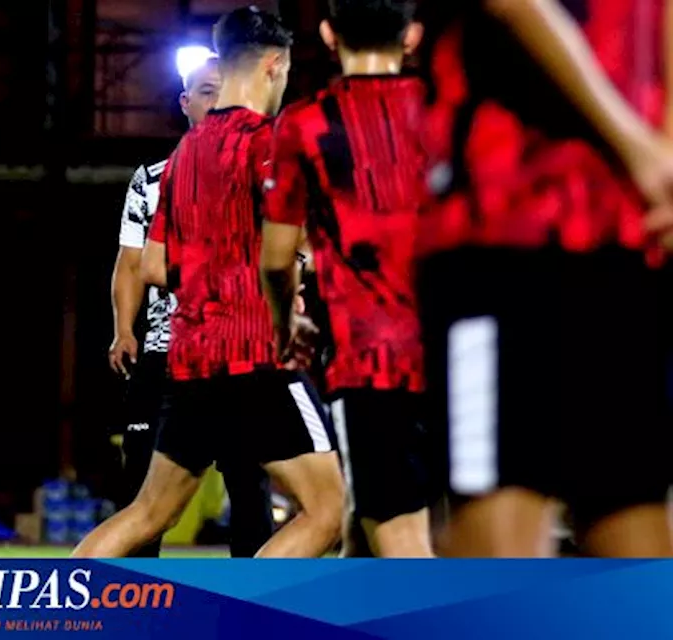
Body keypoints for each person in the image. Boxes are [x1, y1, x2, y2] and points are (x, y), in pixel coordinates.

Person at [74, 7, 345, 559]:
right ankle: (246, 621)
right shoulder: (272, 142)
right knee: (328, 511)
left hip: (190, 360)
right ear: (273, 65)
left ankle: (59, 603)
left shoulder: (182, 156)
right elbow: (301, 250)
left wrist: (215, 265)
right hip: (256, 357)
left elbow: (151, 266)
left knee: (148, 513)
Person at [416, 0, 673, 557]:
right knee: (622, 514)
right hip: (575, 225)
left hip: (513, 223)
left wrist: (649, 151)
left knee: (509, 541)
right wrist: (653, 151)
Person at [260, 0, 432, 557]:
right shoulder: (448, 111)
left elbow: (275, 257)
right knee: (377, 525)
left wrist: (288, 321)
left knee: (402, 538)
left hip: (373, 362)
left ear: (329, 35)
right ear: (412, 36)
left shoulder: (305, 124)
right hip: (462, 348)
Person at [109, 56, 276, 558]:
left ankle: (256, 614)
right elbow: (134, 262)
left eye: (223, 90)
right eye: (205, 91)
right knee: (143, 496)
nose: (216, 100)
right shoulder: (154, 178)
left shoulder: (264, 170)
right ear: (185, 102)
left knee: (252, 487)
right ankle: (124, 603)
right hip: (170, 353)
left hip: (243, 353)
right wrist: (123, 329)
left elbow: (290, 254)